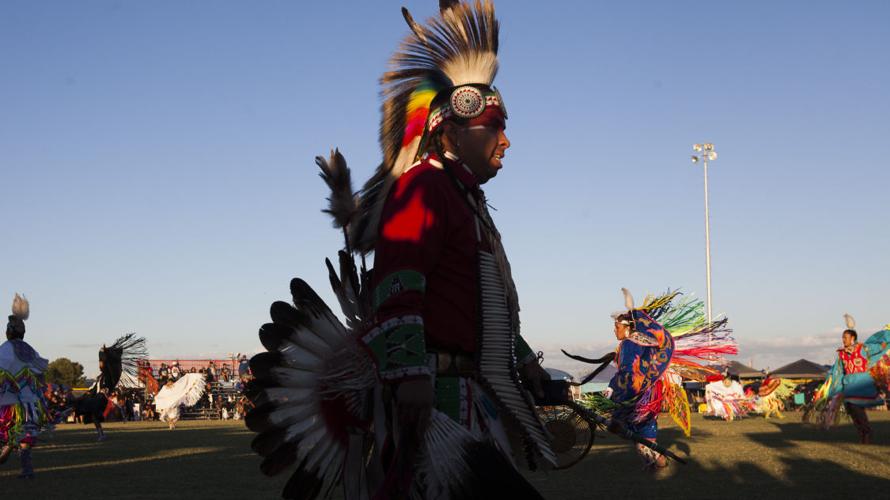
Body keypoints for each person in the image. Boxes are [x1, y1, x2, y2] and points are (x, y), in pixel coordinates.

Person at [246, 2, 558, 498]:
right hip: (437, 400)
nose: (506, 141)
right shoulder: (423, 188)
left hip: (470, 394)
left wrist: (524, 361)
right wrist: (411, 374)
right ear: (452, 130)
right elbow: (400, 283)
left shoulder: (467, 201)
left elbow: (478, 310)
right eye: (495, 128)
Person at [572, 289, 737, 471]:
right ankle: (656, 460)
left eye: (617, 326)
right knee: (641, 427)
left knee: (622, 423)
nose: (614, 330)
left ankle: (655, 459)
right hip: (649, 393)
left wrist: (612, 389)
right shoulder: (644, 340)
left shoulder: (630, 343)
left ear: (628, 327)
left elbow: (629, 371)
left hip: (638, 394)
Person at [808, 314, 890, 443]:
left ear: (853, 338)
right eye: (842, 337)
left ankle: (867, 432)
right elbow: (837, 370)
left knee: (855, 407)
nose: (843, 339)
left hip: (862, 383)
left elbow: (881, 347)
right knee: (851, 409)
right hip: (849, 384)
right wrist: (831, 380)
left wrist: (885, 339)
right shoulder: (842, 354)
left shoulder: (863, 349)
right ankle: (863, 433)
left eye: (845, 337)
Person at [0, 294, 49, 479]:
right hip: (29, 403)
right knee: (25, 438)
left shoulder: (5, 349)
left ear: (9, 331)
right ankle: (27, 470)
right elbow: (41, 370)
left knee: (8, 432)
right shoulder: (29, 350)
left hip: (8, 402)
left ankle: (6, 450)